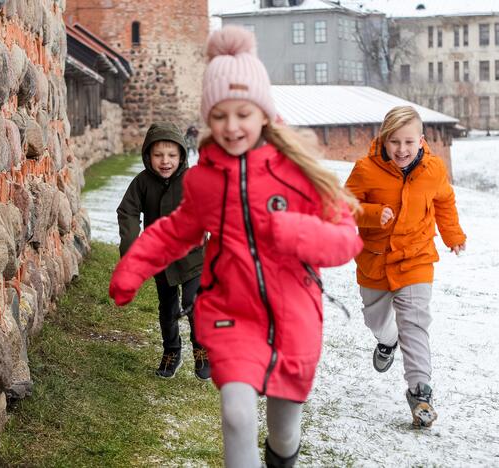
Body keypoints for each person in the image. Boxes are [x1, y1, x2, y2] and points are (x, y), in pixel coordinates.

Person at [109, 26, 363, 467]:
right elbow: (174, 231)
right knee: (237, 413)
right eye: (220, 115)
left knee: (284, 431)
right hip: (231, 312)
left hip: (293, 317)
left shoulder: (297, 171)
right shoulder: (206, 179)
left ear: (263, 112)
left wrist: (295, 233)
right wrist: (132, 267)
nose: (231, 126)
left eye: (243, 113)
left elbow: (346, 239)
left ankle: (280, 456)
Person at [345, 106, 467, 429]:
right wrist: (372, 214)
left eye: (408, 142)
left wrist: (452, 235)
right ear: (384, 140)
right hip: (375, 262)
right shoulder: (365, 170)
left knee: (414, 323)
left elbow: (444, 201)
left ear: (421, 140)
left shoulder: (434, 169)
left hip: (416, 258)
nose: (401, 149)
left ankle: (420, 392)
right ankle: (387, 341)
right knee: (377, 320)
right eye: (394, 142)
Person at [116, 122, 209, 380]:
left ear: (181, 156)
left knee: (195, 305)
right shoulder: (143, 182)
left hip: (193, 258)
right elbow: (128, 211)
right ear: (148, 156)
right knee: (167, 308)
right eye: (158, 155)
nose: (165, 161)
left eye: (171, 155)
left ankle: (202, 349)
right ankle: (172, 351)